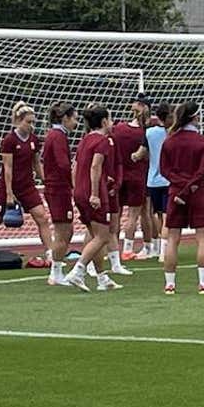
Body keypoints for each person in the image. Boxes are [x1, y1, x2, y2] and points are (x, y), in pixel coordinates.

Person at [0, 102, 55, 269]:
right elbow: (7, 168)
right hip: (8, 186)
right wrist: (8, 193)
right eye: (28, 122)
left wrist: (45, 181)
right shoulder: (9, 140)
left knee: (42, 217)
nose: (31, 126)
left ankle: (50, 253)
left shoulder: (34, 140)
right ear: (18, 121)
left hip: (27, 186)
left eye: (33, 122)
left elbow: (37, 164)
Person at [60, 104, 122, 292]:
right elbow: (95, 166)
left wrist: (77, 187)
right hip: (93, 192)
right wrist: (94, 193)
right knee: (103, 236)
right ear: (104, 121)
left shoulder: (85, 140)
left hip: (80, 190)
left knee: (96, 236)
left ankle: (102, 278)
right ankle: (78, 270)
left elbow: (76, 166)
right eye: (110, 119)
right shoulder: (102, 140)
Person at [160, 100, 204, 295]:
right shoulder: (203, 142)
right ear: (195, 116)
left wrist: (179, 187)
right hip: (197, 193)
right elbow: (201, 172)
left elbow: (164, 170)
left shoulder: (169, 141)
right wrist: (188, 188)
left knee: (172, 239)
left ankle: (170, 284)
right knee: (202, 238)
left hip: (175, 192)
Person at [41, 103, 77, 286]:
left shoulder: (55, 136)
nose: (76, 122)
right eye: (74, 118)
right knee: (63, 231)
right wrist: (75, 184)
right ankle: (55, 272)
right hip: (58, 189)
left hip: (57, 188)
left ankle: (57, 268)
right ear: (65, 118)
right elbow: (63, 165)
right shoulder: (57, 136)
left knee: (67, 230)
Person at [111, 94, 151, 262]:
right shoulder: (145, 132)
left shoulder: (118, 128)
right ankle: (127, 249)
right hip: (138, 175)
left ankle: (112, 249)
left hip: (119, 175)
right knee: (134, 215)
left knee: (117, 214)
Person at [145, 101, 173, 262]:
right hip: (168, 179)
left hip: (153, 180)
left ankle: (158, 247)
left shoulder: (149, 133)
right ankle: (164, 250)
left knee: (158, 215)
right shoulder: (172, 133)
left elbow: (142, 152)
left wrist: (134, 156)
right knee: (167, 216)